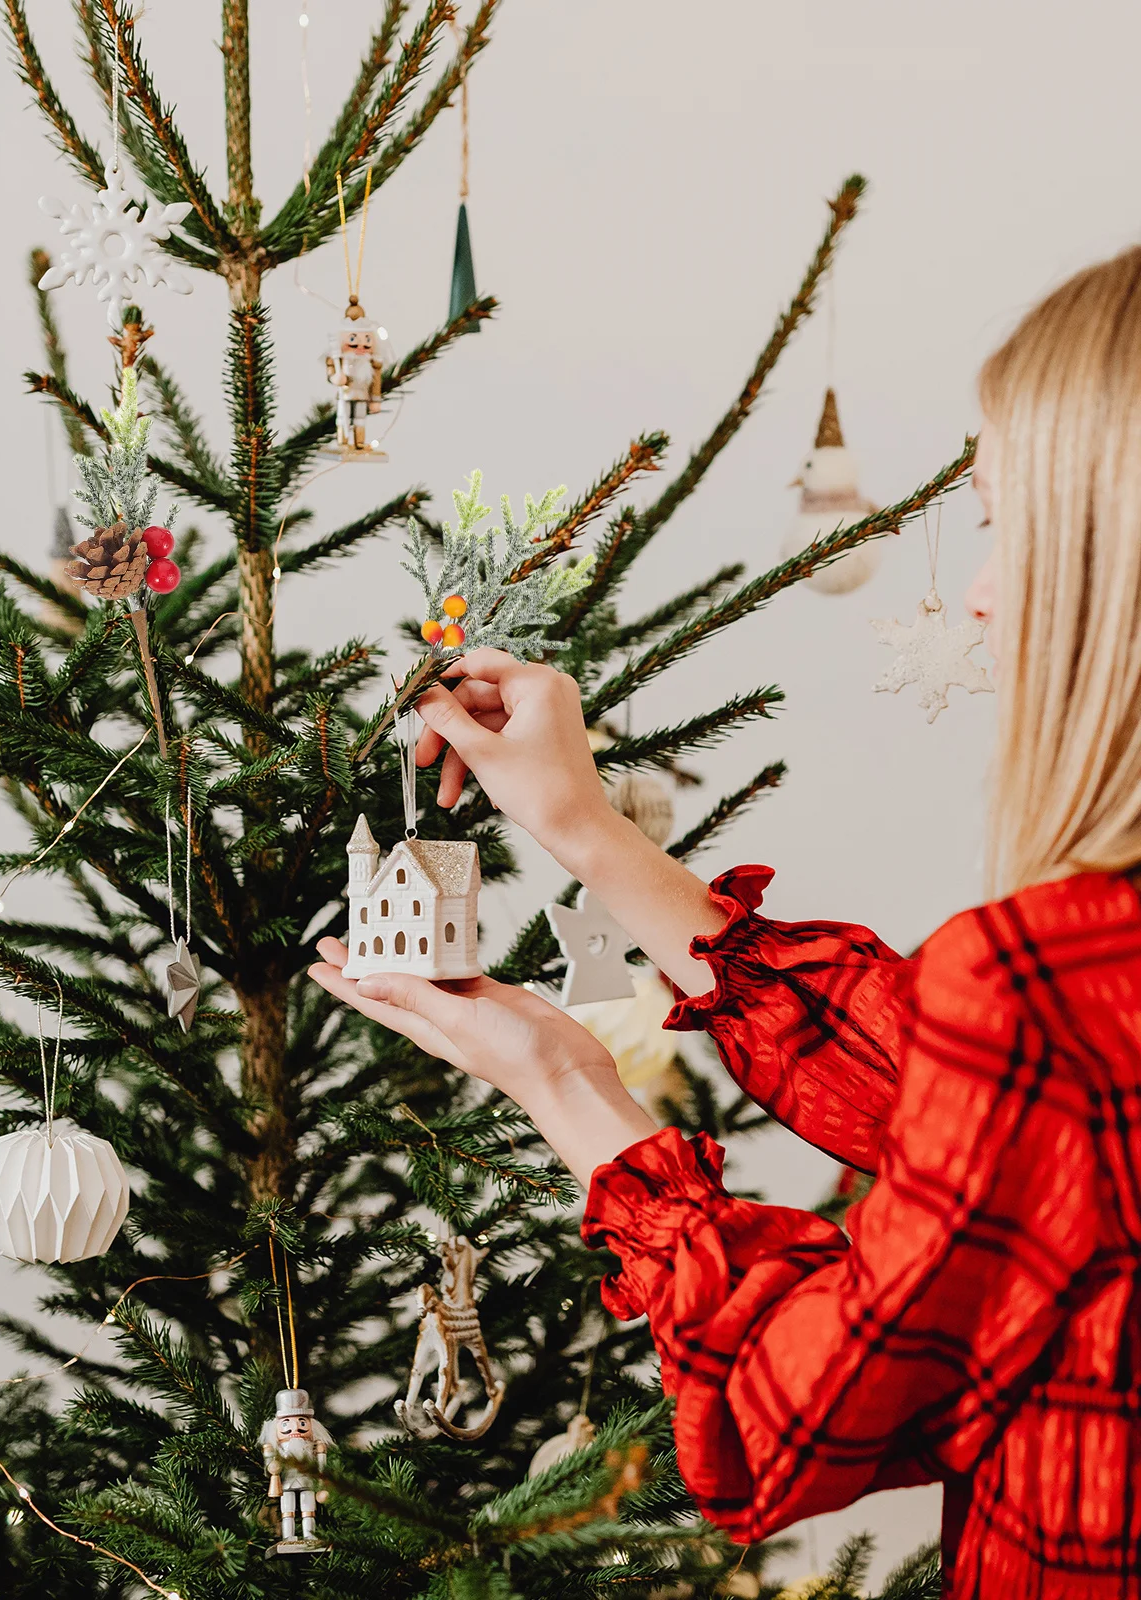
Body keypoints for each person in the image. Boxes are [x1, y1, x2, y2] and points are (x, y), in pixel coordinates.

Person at [309, 247, 1141, 1600]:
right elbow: (945, 1092)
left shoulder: (1049, 977)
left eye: (999, 523)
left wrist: (571, 1087)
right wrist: (587, 831)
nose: (981, 593)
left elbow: (783, 1425)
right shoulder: (1074, 987)